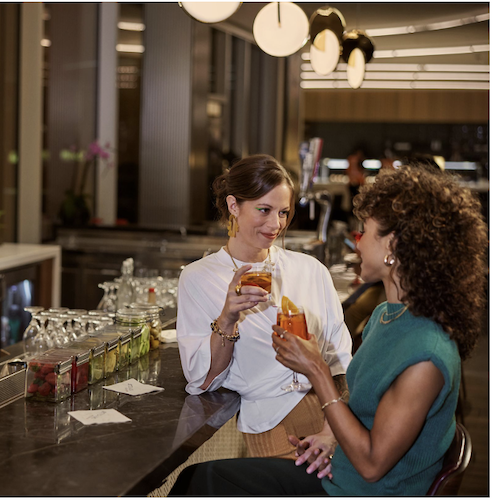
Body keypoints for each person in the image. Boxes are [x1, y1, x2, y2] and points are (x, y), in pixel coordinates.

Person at [172, 163, 487, 495]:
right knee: (201, 480)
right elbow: (359, 400)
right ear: (234, 207)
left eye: (363, 232)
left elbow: (371, 464)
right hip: (341, 465)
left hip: (360, 488)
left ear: (392, 247)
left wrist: (316, 371)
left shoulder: (425, 353)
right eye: (264, 210)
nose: (357, 244)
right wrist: (331, 434)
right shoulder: (387, 317)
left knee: (202, 483)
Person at [176, 154, 353, 459]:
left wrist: (334, 429)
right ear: (234, 206)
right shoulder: (199, 278)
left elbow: (342, 360)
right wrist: (228, 317)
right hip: (273, 423)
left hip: (337, 417)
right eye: (264, 210)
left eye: (283, 212)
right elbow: (202, 378)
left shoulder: (311, 270)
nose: (276, 225)